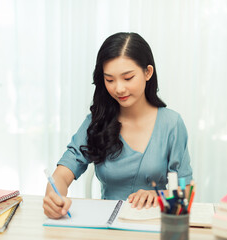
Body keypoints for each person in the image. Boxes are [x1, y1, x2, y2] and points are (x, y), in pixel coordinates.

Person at [43, 32, 193, 219]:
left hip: (156, 226)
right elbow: (62, 174)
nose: (119, 88)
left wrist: (159, 195)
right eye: (110, 80)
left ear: (148, 72)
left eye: (128, 78)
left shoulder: (172, 124)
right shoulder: (97, 122)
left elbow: (185, 190)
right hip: (109, 227)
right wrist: (53, 197)